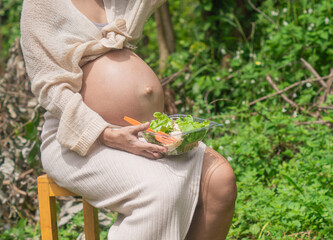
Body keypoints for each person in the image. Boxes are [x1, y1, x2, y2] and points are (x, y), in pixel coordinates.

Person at [20, 0, 237, 239]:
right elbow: (48, 87)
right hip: (79, 139)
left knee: (219, 180)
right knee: (159, 191)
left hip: (148, 134)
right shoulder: (42, 4)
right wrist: (106, 133)